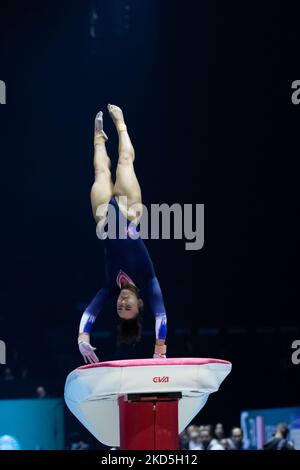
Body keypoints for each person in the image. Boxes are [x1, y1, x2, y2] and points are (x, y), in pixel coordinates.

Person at [78, 104, 167, 363]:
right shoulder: (149, 281)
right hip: (129, 214)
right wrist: (159, 348)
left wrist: (83, 336)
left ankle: (98, 138)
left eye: (120, 308)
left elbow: (91, 312)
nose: (122, 304)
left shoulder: (110, 287)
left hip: (105, 220)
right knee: (125, 161)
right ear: (140, 305)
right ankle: (121, 125)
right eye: (128, 307)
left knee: (100, 171)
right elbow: (161, 315)